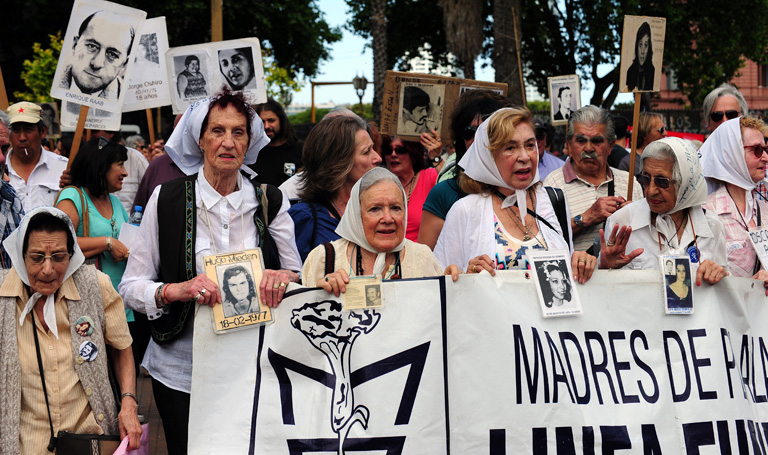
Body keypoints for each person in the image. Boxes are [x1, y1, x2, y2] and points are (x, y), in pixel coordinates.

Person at [119, 90, 301, 454]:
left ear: (250, 142)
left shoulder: (270, 201)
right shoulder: (167, 199)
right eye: (217, 131)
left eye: (238, 132)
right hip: (181, 372)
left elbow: (295, 274)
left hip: (254, 367)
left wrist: (282, 279)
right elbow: (131, 286)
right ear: (199, 138)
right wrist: (176, 290)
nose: (228, 142)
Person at [0, 207, 141, 453]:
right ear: (21, 256)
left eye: (58, 256)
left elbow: (122, 347)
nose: (47, 269)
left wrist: (128, 402)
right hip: (25, 444)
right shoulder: (3, 296)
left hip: (88, 439)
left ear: (72, 255)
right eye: (36, 257)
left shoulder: (94, 286)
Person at [434, 107, 597, 282]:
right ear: (489, 156)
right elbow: (441, 278)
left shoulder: (553, 200)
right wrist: (467, 275)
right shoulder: (465, 210)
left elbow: (567, 277)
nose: (525, 156)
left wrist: (584, 263)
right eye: (511, 147)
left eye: (529, 145)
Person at [302, 167, 459, 291]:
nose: (388, 218)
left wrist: (453, 285)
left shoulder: (423, 258)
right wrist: (320, 296)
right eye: (375, 209)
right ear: (357, 215)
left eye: (396, 208)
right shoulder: (324, 259)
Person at [599, 137, 728, 287]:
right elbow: (604, 292)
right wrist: (605, 268)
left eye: (662, 182)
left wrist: (719, 273)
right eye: (645, 179)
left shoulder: (712, 226)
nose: (651, 191)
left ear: (685, 182)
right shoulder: (622, 222)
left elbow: (724, 288)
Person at [418, 90, 511, 250]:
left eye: (487, 131)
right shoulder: (444, 194)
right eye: (469, 132)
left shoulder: (522, 192)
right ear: (461, 140)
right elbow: (425, 266)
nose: (478, 139)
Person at [543, 106, 643, 253]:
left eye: (597, 141)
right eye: (581, 140)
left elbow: (644, 239)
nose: (588, 148)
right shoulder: (553, 184)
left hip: (622, 275)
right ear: (570, 144)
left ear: (610, 146)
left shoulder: (629, 184)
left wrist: (633, 219)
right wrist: (586, 218)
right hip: (575, 275)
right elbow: (544, 240)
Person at [289, 115, 381, 261]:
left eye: (373, 149)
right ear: (339, 161)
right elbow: (293, 276)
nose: (378, 158)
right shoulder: (305, 218)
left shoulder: (380, 209)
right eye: (366, 152)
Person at [700, 116, 768, 290]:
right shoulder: (706, 212)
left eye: (765, 149)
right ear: (732, 154)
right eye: (757, 150)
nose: (766, 157)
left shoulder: (765, 209)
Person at [58, 11, 135, 101]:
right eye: (91, 46)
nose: (96, 64)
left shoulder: (127, 103)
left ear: (124, 65)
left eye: (112, 55)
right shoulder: (46, 82)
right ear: (75, 45)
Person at [5, 102, 69, 211]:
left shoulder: (64, 168)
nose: (22, 138)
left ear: (43, 132)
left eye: (28, 129)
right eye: (15, 130)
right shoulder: (2, 168)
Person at [382, 136, 437, 242]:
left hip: (421, 255)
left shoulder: (429, 177)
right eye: (388, 151)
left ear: (413, 152)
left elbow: (453, 182)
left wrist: (436, 156)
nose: (393, 155)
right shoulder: (380, 185)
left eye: (400, 150)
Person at [91, 129, 149, 213]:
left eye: (94, 131)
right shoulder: (88, 161)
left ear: (111, 132)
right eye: (84, 132)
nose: (125, 173)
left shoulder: (137, 158)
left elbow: (152, 194)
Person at [250, 98, 302, 186]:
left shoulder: (301, 150)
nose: (266, 126)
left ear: (281, 120)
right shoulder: (252, 153)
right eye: (262, 122)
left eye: (271, 120)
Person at [625, 22, 655, 91]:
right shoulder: (630, 71)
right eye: (640, 45)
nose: (642, 51)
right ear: (636, 46)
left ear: (649, 48)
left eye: (646, 45)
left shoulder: (652, 71)